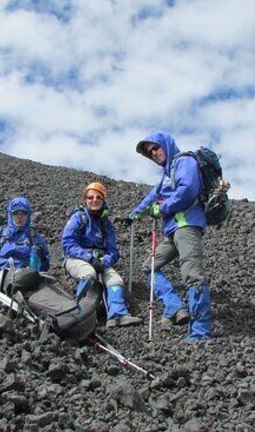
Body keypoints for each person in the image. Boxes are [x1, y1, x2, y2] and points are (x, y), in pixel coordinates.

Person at [125, 132, 212, 342]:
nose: (154, 154)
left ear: (165, 144)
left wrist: (163, 209)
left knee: (193, 274)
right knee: (150, 266)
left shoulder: (184, 161)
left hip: (187, 225)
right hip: (173, 230)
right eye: (150, 152)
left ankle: (200, 332)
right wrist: (134, 215)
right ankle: (174, 306)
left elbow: (188, 189)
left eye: (156, 148)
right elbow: (152, 198)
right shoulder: (167, 173)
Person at [62, 182, 142, 328]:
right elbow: (68, 244)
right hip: (77, 258)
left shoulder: (106, 225)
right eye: (90, 197)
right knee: (89, 273)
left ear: (103, 200)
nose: (94, 200)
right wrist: (89, 258)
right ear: (84, 200)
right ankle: (80, 313)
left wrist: (104, 261)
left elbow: (113, 251)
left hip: (100, 260)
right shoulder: (79, 218)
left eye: (99, 197)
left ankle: (117, 315)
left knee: (115, 280)